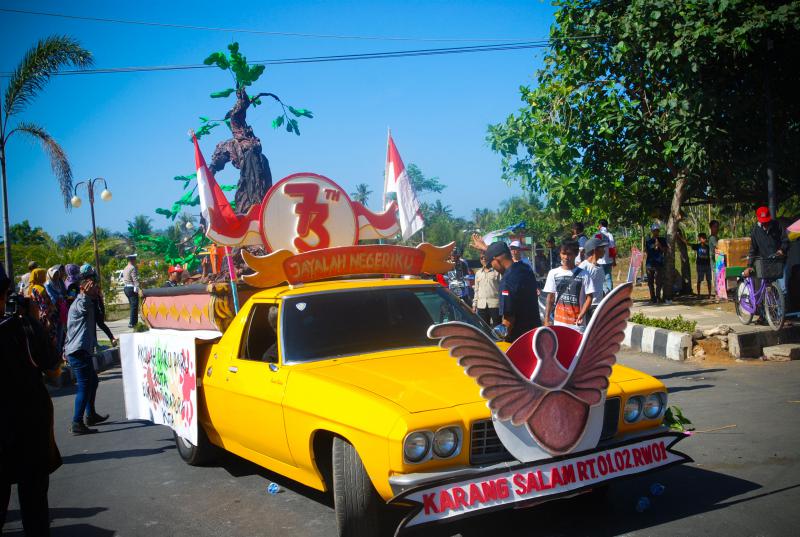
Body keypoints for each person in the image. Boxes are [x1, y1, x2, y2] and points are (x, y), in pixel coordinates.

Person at [1, 262, 62, 535]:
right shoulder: (21, 328)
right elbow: (54, 371)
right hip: (28, 430)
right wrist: (36, 323)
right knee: (34, 506)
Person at [64, 274, 109, 435]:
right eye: (92, 287)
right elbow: (83, 307)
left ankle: (91, 415)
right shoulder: (79, 303)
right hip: (78, 351)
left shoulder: (89, 302)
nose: (96, 288)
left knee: (93, 381)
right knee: (84, 385)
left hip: (81, 350)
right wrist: (84, 294)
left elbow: (98, 319)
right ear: (83, 289)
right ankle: (77, 422)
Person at [484, 241, 541, 342]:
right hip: (535, 334)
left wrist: (499, 339)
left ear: (496, 260)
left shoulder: (506, 281)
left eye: (491, 265)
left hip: (519, 340)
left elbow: (509, 320)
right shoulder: (525, 269)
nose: (493, 268)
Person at [543, 240, 595, 332]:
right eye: (563, 253)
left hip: (577, 326)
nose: (566, 257)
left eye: (569, 254)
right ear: (560, 254)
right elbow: (550, 298)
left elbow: (589, 297)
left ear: (576, 254)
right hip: (559, 323)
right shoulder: (553, 273)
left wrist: (582, 314)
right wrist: (546, 319)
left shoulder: (584, 274)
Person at [743, 206, 789, 289]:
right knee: (766, 289)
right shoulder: (755, 231)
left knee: (783, 289)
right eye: (763, 222)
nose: (765, 224)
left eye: (767, 222)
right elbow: (753, 249)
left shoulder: (777, 225)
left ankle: (782, 302)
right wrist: (749, 265)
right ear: (758, 219)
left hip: (779, 262)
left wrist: (782, 249)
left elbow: (785, 240)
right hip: (765, 264)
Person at [80, 264, 116, 346]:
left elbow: (90, 293)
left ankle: (96, 343)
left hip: (92, 305)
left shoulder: (86, 282)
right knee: (100, 324)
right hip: (97, 304)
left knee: (94, 325)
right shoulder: (93, 279)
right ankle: (111, 338)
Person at [578, 237, 608, 320]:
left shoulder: (600, 267)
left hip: (599, 305)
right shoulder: (583, 266)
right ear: (595, 250)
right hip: (588, 307)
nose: (604, 251)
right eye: (602, 248)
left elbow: (600, 286)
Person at [45, 265, 69, 355]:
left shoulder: (58, 283)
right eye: (54, 275)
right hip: (54, 312)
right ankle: (56, 355)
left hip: (61, 311)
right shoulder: (47, 284)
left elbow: (63, 293)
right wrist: (59, 298)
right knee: (56, 335)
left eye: (57, 274)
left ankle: (60, 354)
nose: (56, 277)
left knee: (61, 334)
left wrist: (62, 297)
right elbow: (51, 298)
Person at [472, 252, 501, 326]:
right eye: (482, 258)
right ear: (480, 260)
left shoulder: (497, 271)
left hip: (495, 304)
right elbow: (476, 290)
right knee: (484, 328)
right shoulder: (478, 273)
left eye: (485, 257)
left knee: (497, 327)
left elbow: (502, 287)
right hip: (481, 305)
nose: (484, 259)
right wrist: (474, 304)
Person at [645, 223, 669, 303]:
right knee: (650, 282)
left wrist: (660, 246)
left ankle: (658, 297)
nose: (656, 232)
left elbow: (665, 251)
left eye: (657, 231)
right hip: (649, 264)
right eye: (654, 231)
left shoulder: (662, 240)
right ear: (652, 231)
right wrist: (654, 246)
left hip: (659, 263)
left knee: (659, 282)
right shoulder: (648, 241)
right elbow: (647, 251)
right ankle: (653, 298)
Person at [596, 219, 616, 293]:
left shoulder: (598, 235)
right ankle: (610, 294)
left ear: (600, 225)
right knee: (608, 277)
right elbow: (612, 248)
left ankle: (605, 293)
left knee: (601, 278)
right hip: (609, 260)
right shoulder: (610, 235)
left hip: (599, 260)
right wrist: (614, 260)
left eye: (598, 225)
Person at [690, 233, 713, 298]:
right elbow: (688, 243)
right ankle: (699, 294)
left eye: (705, 237)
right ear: (700, 239)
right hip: (700, 265)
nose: (705, 239)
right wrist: (680, 237)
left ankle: (709, 294)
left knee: (709, 280)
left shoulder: (708, 247)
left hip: (707, 265)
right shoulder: (697, 246)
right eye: (703, 238)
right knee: (699, 280)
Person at [122, 253, 141, 328]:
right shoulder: (132, 268)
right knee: (134, 306)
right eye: (135, 259)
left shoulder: (125, 268)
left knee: (132, 305)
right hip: (131, 288)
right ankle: (132, 323)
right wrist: (138, 288)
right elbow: (134, 279)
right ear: (133, 260)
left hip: (126, 288)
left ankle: (134, 322)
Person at [708, 219, 721, 295]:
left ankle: (719, 293)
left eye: (717, 226)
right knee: (717, 278)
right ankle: (717, 294)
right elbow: (718, 246)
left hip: (718, 261)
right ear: (711, 228)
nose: (717, 228)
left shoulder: (717, 237)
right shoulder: (712, 238)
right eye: (715, 227)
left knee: (719, 278)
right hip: (715, 262)